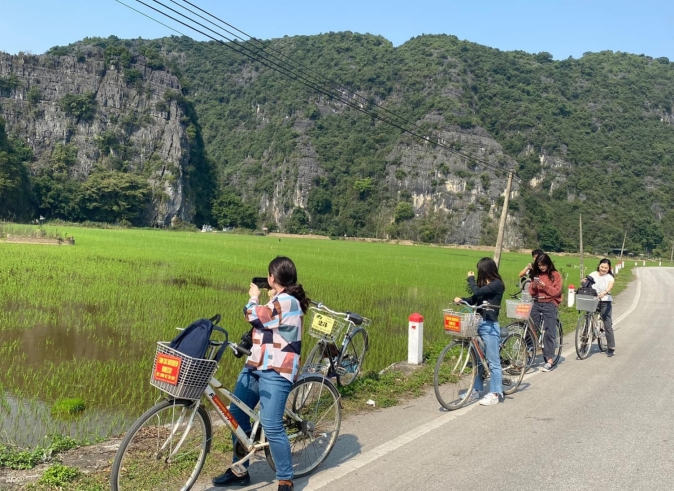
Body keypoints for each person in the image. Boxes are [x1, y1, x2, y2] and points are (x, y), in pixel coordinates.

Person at [212, 256, 308, 491]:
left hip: (277, 370)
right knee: (236, 415)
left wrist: (254, 296)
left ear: (271, 278)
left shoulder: (288, 301)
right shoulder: (278, 300)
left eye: (268, 276)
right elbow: (267, 325)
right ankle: (240, 469)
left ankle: (285, 478)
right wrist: (268, 298)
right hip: (256, 364)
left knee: (272, 424)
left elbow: (254, 315)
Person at [453, 257, 505, 406]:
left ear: (486, 270)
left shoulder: (497, 284)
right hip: (477, 323)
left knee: (493, 362)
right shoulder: (484, 285)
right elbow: (474, 298)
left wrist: (471, 279)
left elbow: (477, 290)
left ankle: (495, 394)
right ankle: (476, 390)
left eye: (480, 270)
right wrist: (462, 300)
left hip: (489, 325)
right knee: (478, 360)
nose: (478, 273)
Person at [528, 253, 563, 372]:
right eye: (539, 265)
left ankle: (549, 360)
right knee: (531, 328)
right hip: (537, 303)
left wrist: (544, 286)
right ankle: (528, 354)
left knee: (549, 332)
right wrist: (534, 286)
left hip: (550, 304)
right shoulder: (536, 274)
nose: (542, 267)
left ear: (548, 264)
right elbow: (532, 292)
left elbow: (556, 292)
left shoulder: (555, 275)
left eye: (543, 265)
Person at [582, 258, 616, 357]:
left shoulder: (609, 277)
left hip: (605, 301)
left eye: (606, 268)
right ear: (599, 266)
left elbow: (610, 286)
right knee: (587, 319)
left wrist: (605, 292)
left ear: (609, 268)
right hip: (593, 299)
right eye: (602, 267)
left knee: (607, 324)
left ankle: (611, 347)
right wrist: (583, 281)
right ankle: (584, 343)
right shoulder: (593, 274)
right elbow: (586, 282)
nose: (603, 269)